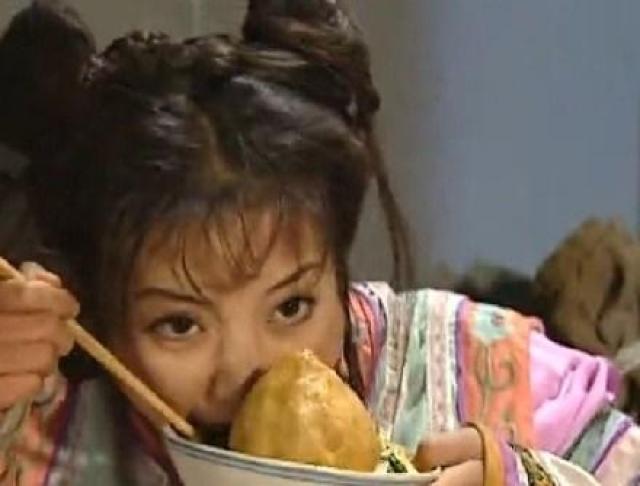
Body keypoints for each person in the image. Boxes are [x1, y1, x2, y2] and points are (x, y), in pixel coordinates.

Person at [0, 1, 637, 484]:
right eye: (179, 325)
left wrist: (523, 475)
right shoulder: (54, 437)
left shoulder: (472, 365)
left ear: (338, 268)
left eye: (291, 307)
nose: (246, 369)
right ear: (106, 320)